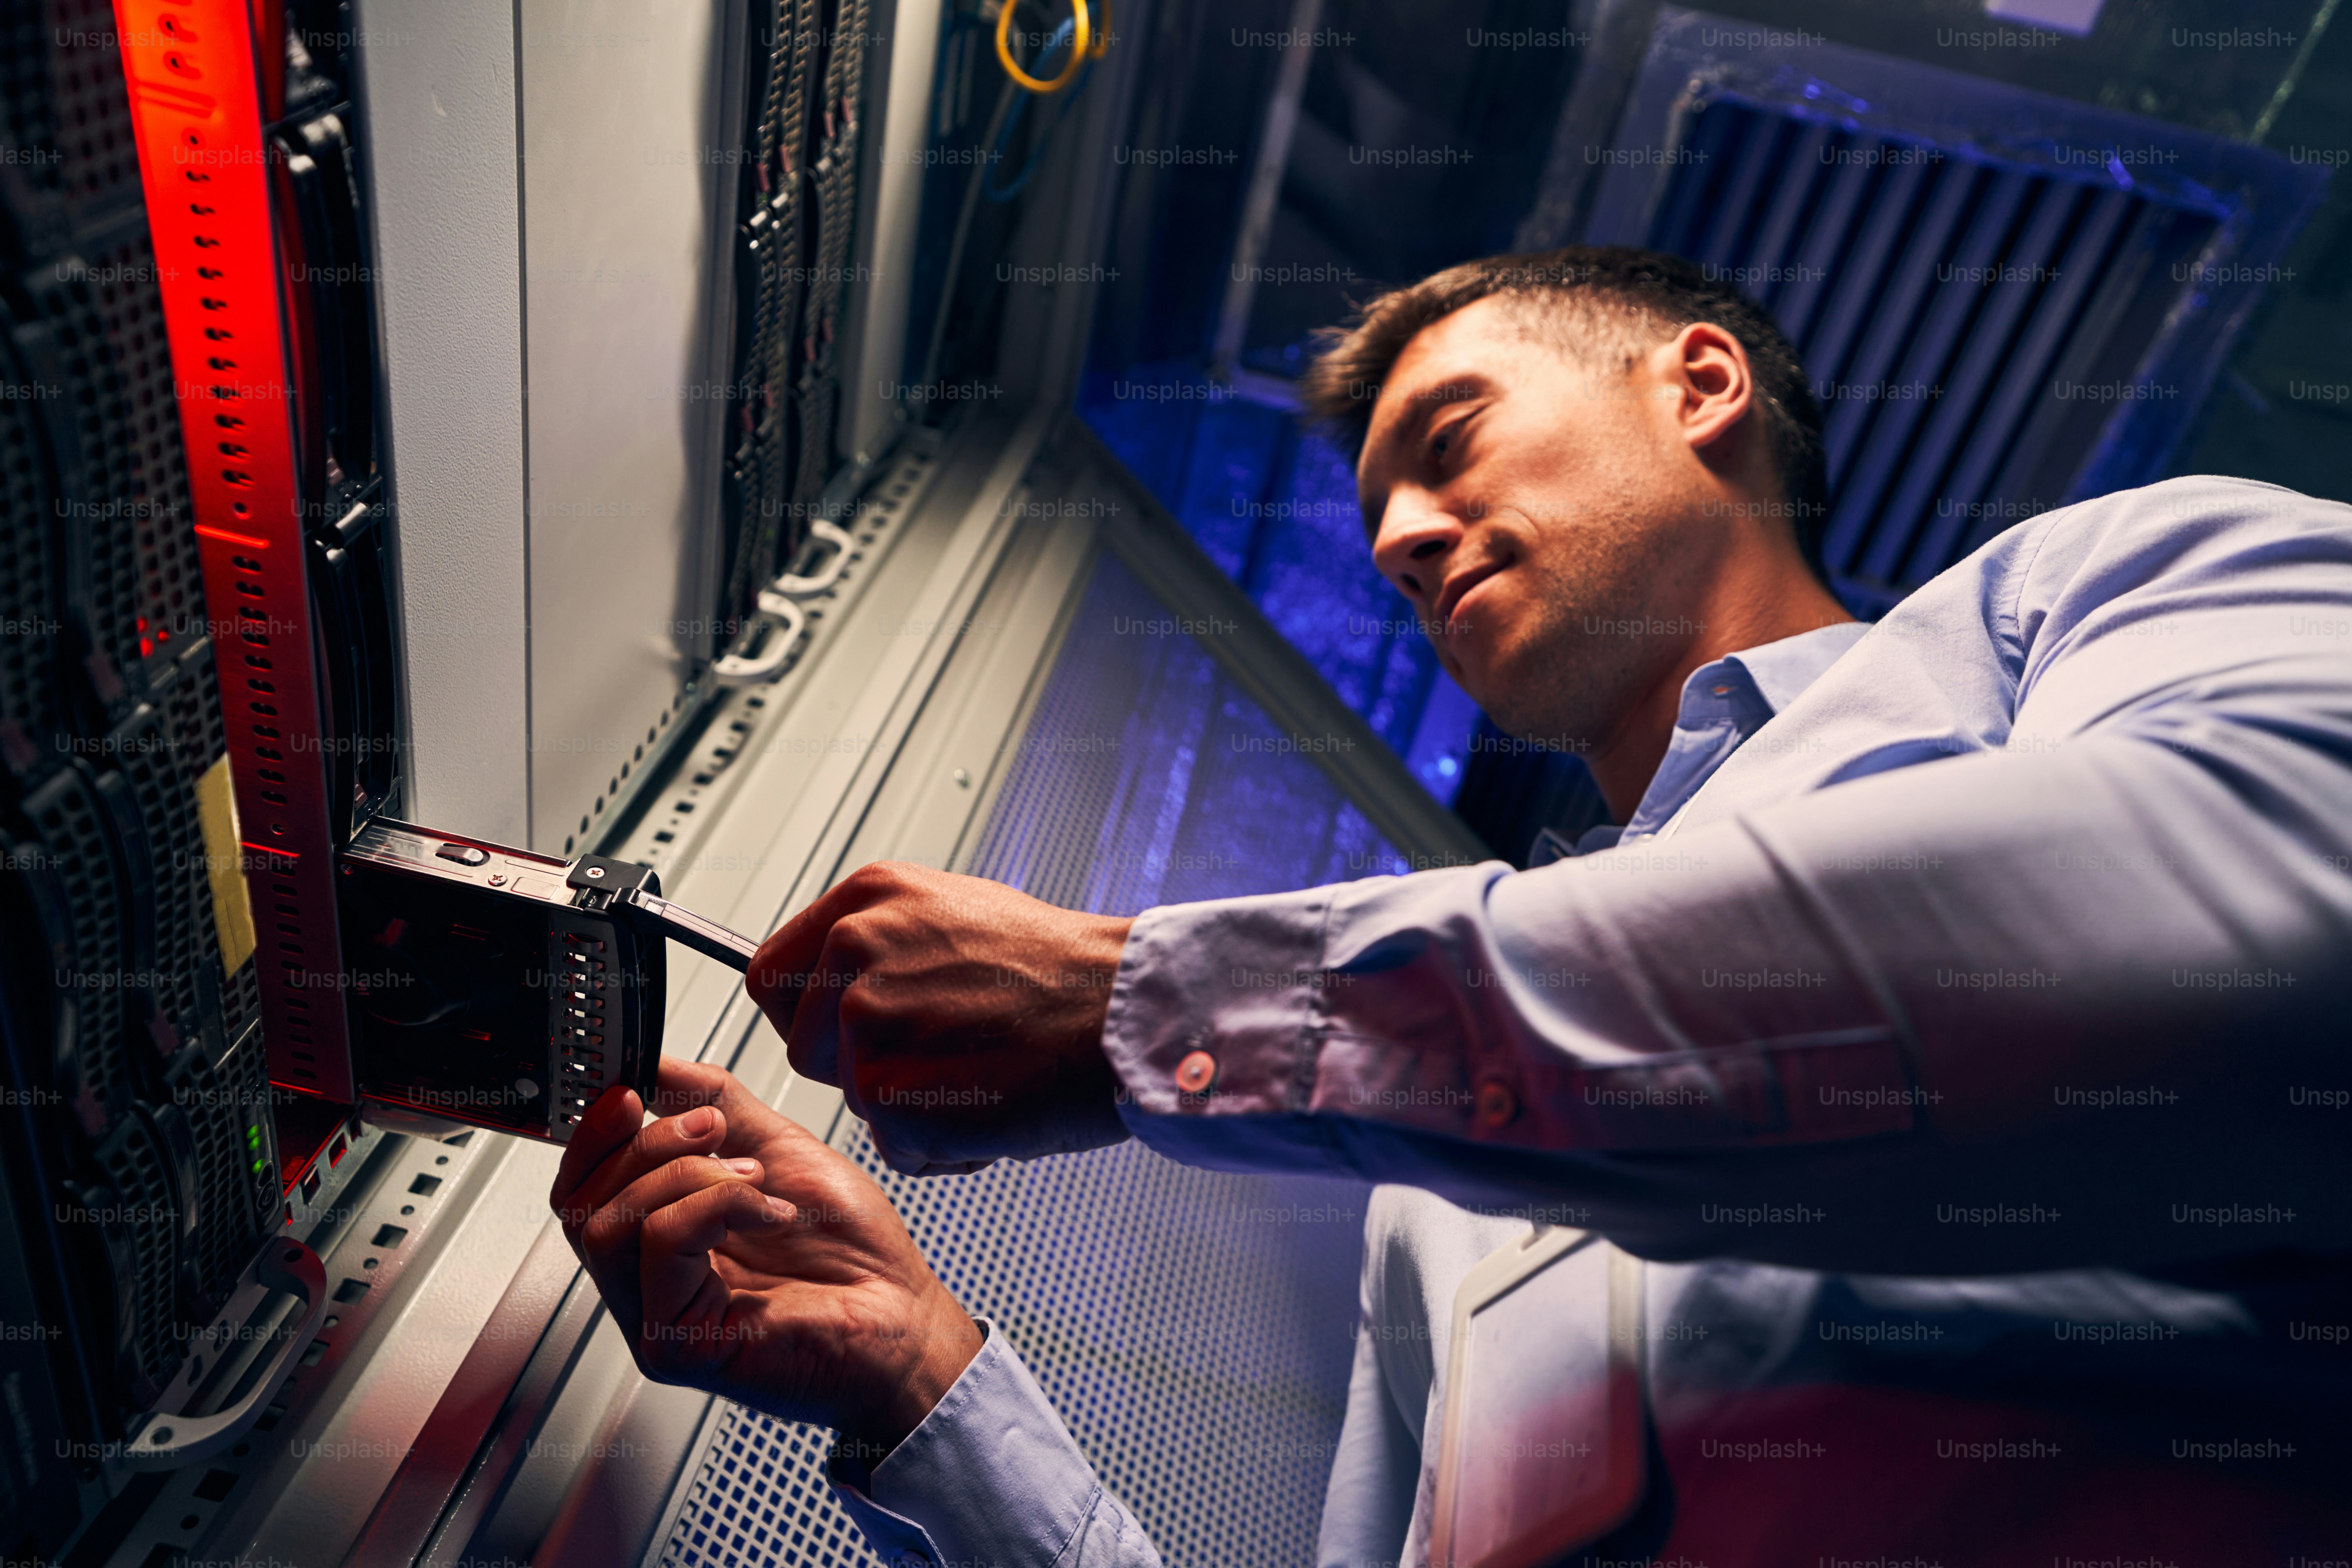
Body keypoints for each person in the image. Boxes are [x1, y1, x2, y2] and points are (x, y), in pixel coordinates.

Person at [551, 246, 2352, 1564]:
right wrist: (924, 1392)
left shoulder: (2091, 593)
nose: (1405, 533)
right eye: (1381, 509)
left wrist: (1141, 1001)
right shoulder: (1441, 1183)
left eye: (1451, 434)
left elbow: (2269, 923)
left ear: (1699, 382)